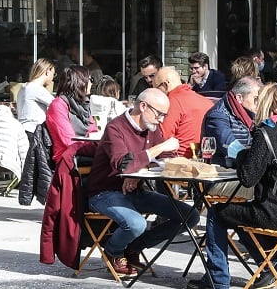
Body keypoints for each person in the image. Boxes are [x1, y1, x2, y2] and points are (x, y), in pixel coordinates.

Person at [187, 84, 277, 289]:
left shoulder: (267, 133)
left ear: (265, 105)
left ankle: (217, 279)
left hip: (274, 214)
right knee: (236, 212)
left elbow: (248, 178)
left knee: (217, 212)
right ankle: (270, 262)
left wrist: (242, 155)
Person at [86, 88, 200, 276]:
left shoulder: (151, 128)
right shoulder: (116, 128)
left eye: (165, 115)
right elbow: (123, 163)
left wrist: (138, 171)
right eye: (160, 114)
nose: (162, 119)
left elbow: (166, 157)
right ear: (143, 106)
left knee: (191, 216)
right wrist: (155, 151)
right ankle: (113, 251)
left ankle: (134, 247)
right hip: (105, 192)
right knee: (136, 224)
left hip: (134, 191)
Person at [156, 67, 214, 158]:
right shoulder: (207, 102)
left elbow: (163, 138)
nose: (155, 93)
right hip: (206, 159)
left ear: (165, 85)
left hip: (179, 162)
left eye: (156, 88)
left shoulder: (170, 103)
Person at [45, 65, 97, 162]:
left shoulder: (84, 105)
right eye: (90, 79)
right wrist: (99, 148)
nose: (92, 83)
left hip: (85, 152)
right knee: (110, 163)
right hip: (67, 157)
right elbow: (69, 141)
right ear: (80, 81)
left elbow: (93, 132)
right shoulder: (58, 105)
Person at [16, 58, 55, 137]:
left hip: (23, 130)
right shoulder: (36, 89)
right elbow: (57, 104)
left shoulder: (24, 87)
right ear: (48, 72)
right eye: (53, 74)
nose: (53, 78)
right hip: (33, 131)